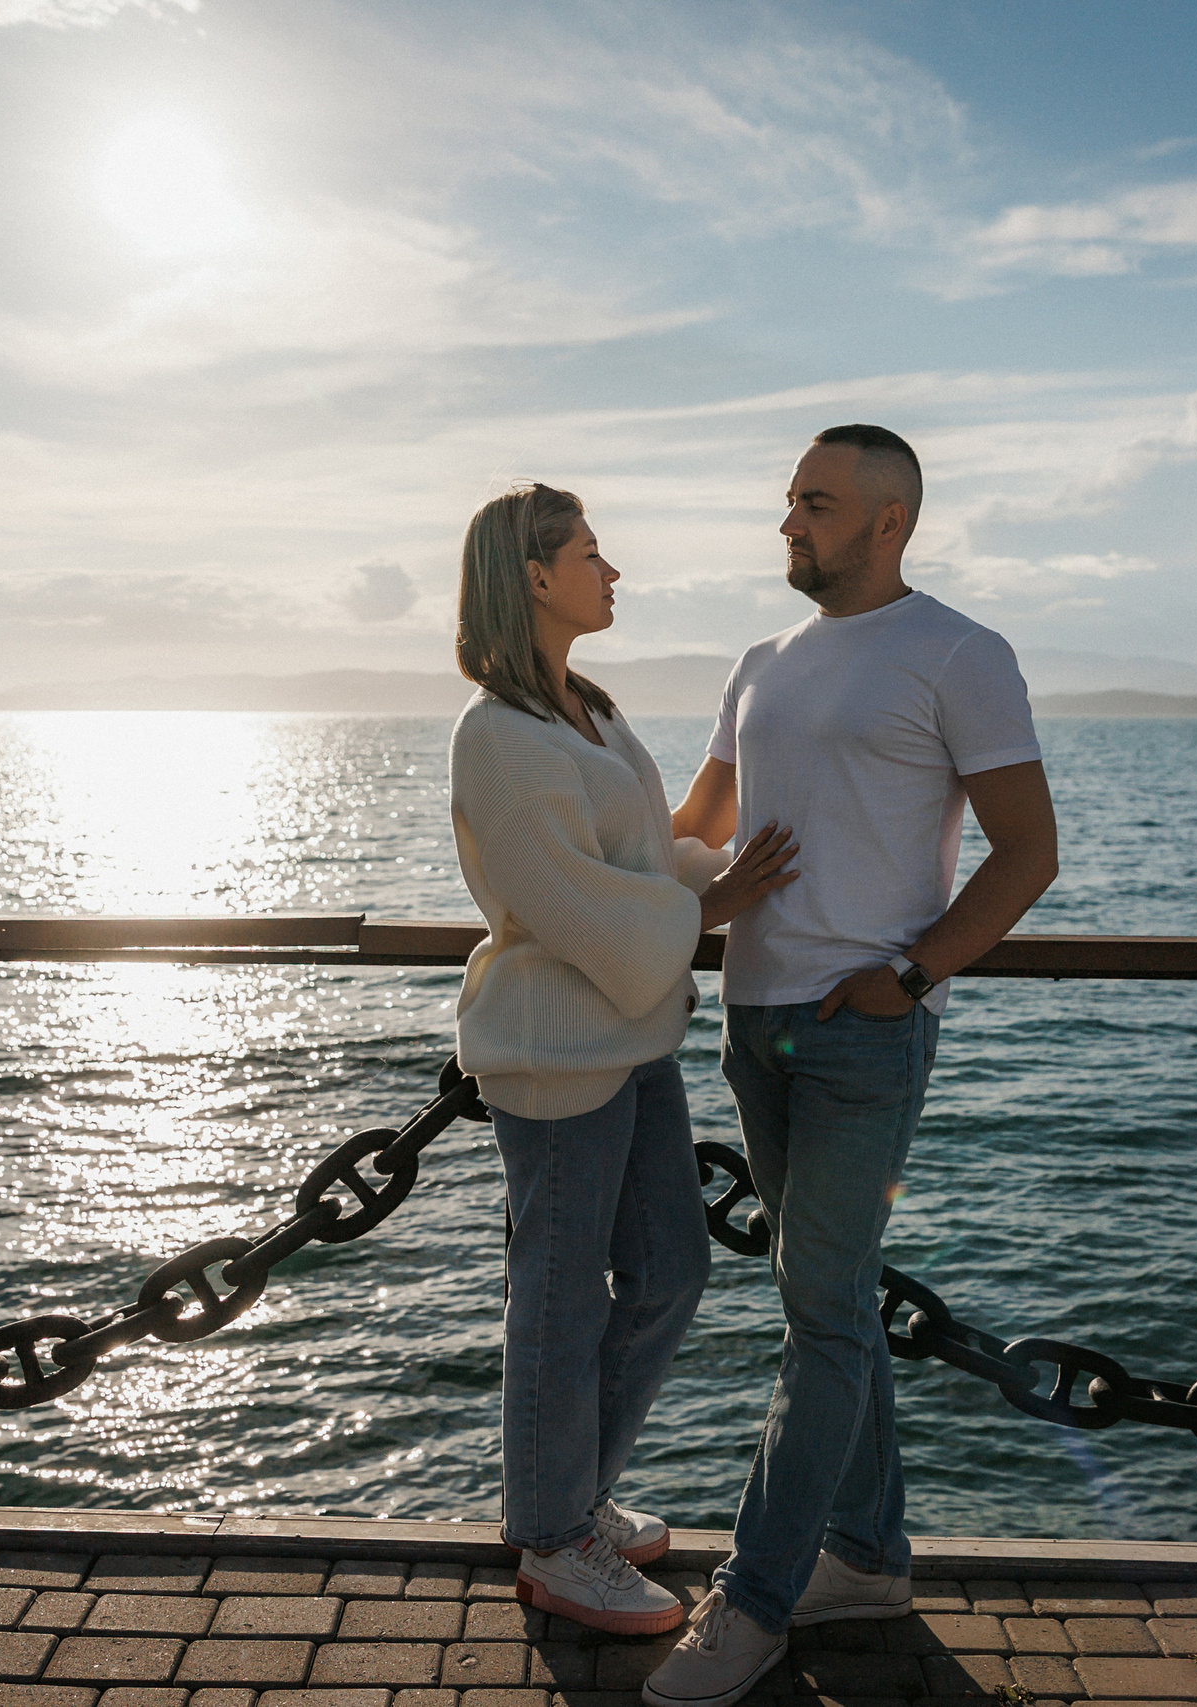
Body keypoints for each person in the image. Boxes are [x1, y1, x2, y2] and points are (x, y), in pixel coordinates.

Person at [644, 426, 1061, 1707]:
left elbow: (1028, 851)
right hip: (752, 1021)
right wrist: (597, 874)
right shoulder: (760, 663)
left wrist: (914, 976)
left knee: (821, 1308)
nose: (788, 524)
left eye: (815, 505)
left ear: (889, 520)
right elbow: (695, 830)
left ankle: (755, 1598)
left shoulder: (958, 653)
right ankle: (869, 1559)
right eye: (788, 502)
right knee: (825, 1304)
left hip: (863, 1030)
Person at [449, 481, 801, 1637]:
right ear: (533, 576)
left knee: (668, 1271)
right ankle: (555, 1541)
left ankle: (570, 1496)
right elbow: (566, 898)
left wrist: (717, 876)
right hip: (556, 1054)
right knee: (557, 1300)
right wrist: (711, 908)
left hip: (633, 1035)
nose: (612, 572)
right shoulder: (498, 734)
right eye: (591, 554)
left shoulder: (583, 708)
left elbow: (639, 864)